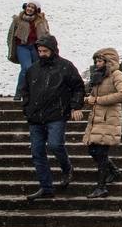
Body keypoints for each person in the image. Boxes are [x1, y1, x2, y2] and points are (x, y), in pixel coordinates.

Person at [20, 34, 85, 201]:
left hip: (56, 114)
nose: (41, 53)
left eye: (45, 51)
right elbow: (25, 90)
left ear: (53, 50)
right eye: (39, 51)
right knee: (37, 152)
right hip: (35, 116)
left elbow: (78, 87)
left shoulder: (65, 66)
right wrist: (27, 107)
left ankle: (66, 168)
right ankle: (46, 187)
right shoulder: (33, 69)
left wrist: (75, 106)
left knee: (56, 145)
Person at [81, 47, 122, 199]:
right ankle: (114, 171)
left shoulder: (116, 74)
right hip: (97, 118)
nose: (97, 63)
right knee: (92, 149)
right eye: (96, 61)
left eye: (100, 60)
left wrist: (98, 100)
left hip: (109, 118)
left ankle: (101, 187)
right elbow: (94, 96)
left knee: (101, 153)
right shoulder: (98, 76)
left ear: (108, 62)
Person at [7, 1, 50, 100]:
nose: (29, 9)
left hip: (36, 48)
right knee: (26, 68)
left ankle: (33, 93)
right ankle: (19, 92)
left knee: (37, 69)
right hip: (22, 47)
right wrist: (11, 48)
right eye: (28, 6)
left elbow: (47, 35)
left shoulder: (41, 21)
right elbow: (11, 35)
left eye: (32, 7)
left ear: (36, 10)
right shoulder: (18, 20)